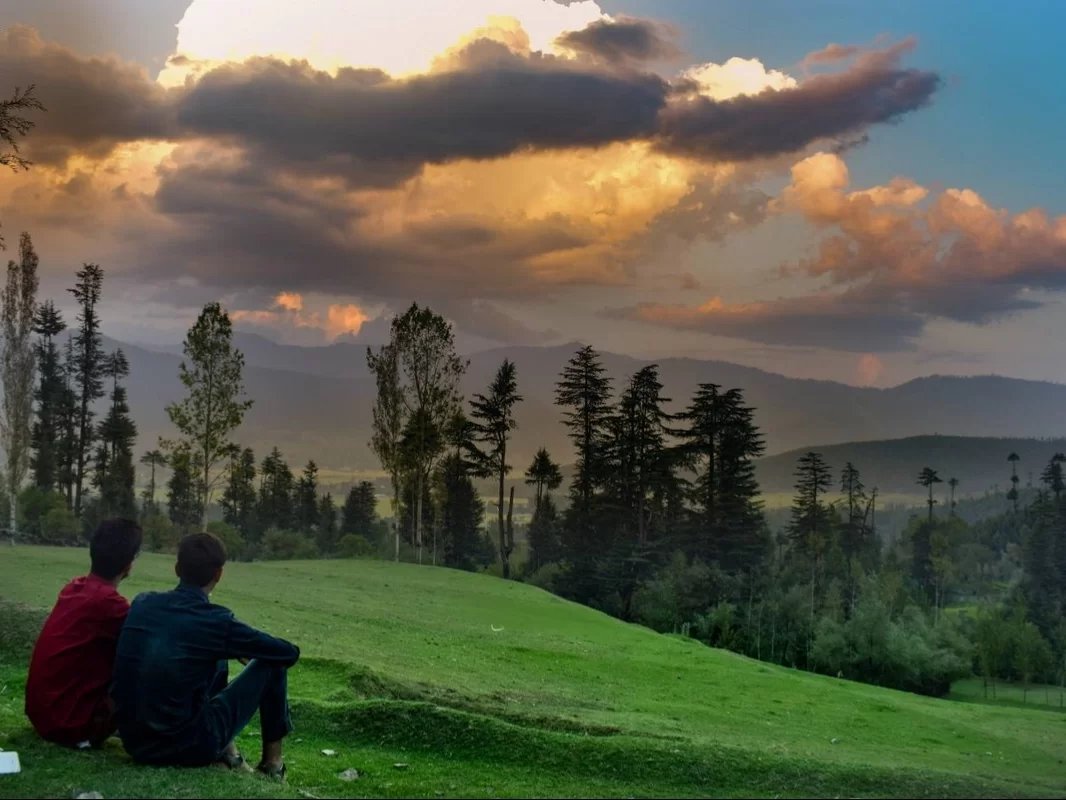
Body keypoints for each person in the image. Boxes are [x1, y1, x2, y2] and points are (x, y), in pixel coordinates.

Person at [111, 532, 299, 779]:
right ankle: (273, 766)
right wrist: (246, 650)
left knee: (216, 655)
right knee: (272, 663)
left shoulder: (143, 602)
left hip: (135, 742)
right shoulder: (216, 621)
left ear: (177, 568)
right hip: (187, 746)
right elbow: (287, 652)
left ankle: (230, 753)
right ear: (218, 574)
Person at [25, 518, 143, 748]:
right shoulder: (111, 605)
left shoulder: (74, 588)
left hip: (41, 716)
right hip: (71, 727)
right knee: (143, 660)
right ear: (128, 565)